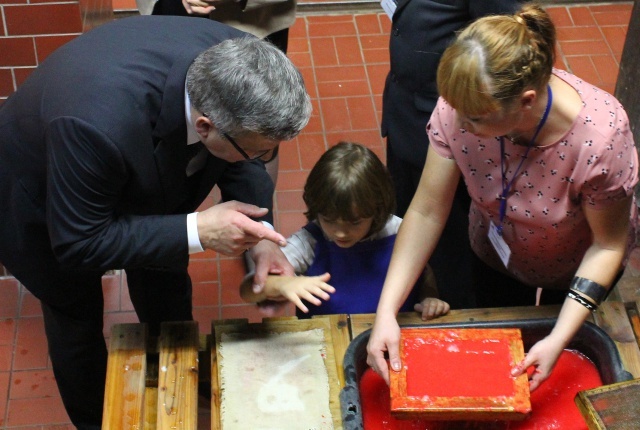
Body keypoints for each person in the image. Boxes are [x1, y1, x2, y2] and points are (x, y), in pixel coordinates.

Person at [0, 15, 311, 429]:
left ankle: (176, 372)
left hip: (131, 160)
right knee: (76, 315)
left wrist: (264, 240)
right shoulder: (96, 122)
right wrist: (196, 230)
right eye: (256, 152)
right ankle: (98, 418)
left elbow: (246, 155)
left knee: (165, 279)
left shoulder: (240, 60)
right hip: (43, 199)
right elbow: (78, 243)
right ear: (204, 126)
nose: (261, 162)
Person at [367, 4, 638, 392]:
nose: (458, 125)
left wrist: (559, 337)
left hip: (576, 268)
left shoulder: (600, 139)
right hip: (498, 253)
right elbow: (426, 210)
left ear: (526, 101)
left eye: (475, 119)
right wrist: (386, 311)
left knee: (566, 372)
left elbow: (607, 246)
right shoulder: (462, 105)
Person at [382, 0, 524, 309]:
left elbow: (506, 50)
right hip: (408, 115)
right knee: (414, 225)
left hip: (464, 133)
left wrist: (466, 116)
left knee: (459, 257)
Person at [240, 142, 450, 319]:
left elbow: (423, 272)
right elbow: (249, 290)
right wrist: (282, 284)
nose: (341, 233)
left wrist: (428, 297)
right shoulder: (308, 244)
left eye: (355, 222)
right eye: (329, 220)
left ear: (376, 210)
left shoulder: (400, 231)